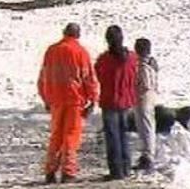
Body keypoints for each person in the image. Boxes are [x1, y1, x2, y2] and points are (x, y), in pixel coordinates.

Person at [37, 23, 99, 184]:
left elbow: (43, 75)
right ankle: (68, 172)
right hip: (74, 101)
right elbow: (88, 78)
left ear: (64, 33)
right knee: (71, 136)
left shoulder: (51, 50)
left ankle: (50, 171)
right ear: (78, 35)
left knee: (56, 135)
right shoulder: (81, 52)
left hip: (56, 100)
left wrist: (45, 97)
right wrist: (92, 99)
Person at [94, 25, 138, 181]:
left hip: (110, 101)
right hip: (127, 101)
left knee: (113, 137)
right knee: (124, 135)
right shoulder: (132, 58)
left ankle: (116, 170)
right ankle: (126, 167)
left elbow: (98, 75)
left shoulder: (104, 60)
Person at [134, 37, 159, 171]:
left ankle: (148, 156)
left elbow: (146, 84)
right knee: (145, 126)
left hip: (143, 97)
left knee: (146, 127)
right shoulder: (150, 63)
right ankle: (146, 155)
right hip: (147, 97)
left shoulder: (143, 66)